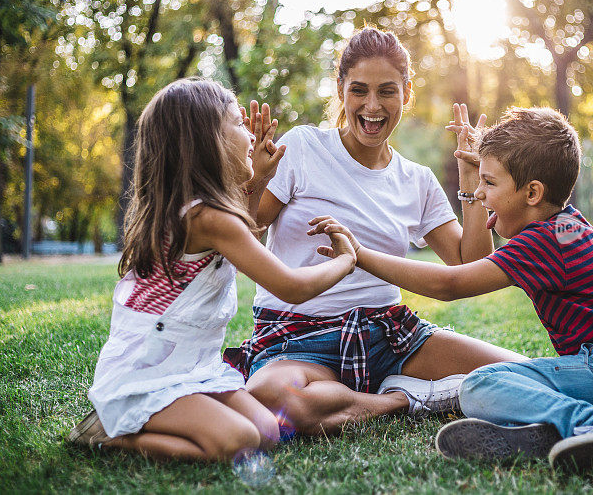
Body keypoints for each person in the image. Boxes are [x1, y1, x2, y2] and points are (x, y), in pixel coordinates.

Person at [310, 106, 593, 470]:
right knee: (496, 387)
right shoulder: (565, 228)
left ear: (532, 194)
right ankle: (548, 432)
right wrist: (477, 173)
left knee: (482, 383)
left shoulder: (541, 242)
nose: (480, 194)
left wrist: (359, 253)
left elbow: (449, 283)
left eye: (490, 183)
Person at [223, 27, 528, 436]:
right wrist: (256, 179)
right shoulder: (302, 148)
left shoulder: (415, 179)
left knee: (521, 373)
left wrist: (472, 182)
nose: (372, 106)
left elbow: (467, 263)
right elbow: (248, 231)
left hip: (389, 335)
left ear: (406, 94)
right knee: (274, 399)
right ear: (341, 90)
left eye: (387, 91)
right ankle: (406, 399)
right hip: (297, 338)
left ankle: (359, 394)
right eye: (359, 91)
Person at [67, 78, 357, 461]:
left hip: (191, 369)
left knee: (267, 430)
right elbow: (290, 287)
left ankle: (140, 425)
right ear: (209, 141)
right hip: (149, 375)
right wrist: (345, 262)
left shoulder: (205, 212)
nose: (250, 136)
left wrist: (260, 180)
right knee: (237, 441)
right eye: (237, 125)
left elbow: (245, 238)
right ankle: (105, 435)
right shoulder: (208, 218)